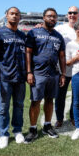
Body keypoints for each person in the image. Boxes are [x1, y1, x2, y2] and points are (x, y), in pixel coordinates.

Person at [25, 8, 66, 143]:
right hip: (38, 73)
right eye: (49, 16)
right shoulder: (34, 32)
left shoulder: (58, 36)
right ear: (43, 17)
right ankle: (32, 129)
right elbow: (28, 53)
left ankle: (47, 126)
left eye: (54, 17)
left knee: (50, 100)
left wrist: (63, 74)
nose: (52, 19)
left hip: (53, 74)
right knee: (35, 101)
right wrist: (29, 72)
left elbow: (62, 57)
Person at [0, 7, 26, 149]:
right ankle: (3, 134)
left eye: (17, 14)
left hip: (20, 77)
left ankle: (17, 131)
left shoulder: (23, 36)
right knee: (3, 107)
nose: (14, 16)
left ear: (20, 17)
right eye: (12, 14)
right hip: (4, 77)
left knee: (19, 106)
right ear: (6, 16)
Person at [54, 6, 79, 128]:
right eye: (70, 12)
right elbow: (47, 31)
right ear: (67, 15)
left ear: (78, 15)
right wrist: (39, 26)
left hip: (77, 68)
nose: (72, 15)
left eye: (74, 13)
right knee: (60, 96)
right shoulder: (60, 28)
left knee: (76, 95)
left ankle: (73, 117)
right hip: (62, 68)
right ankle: (59, 118)